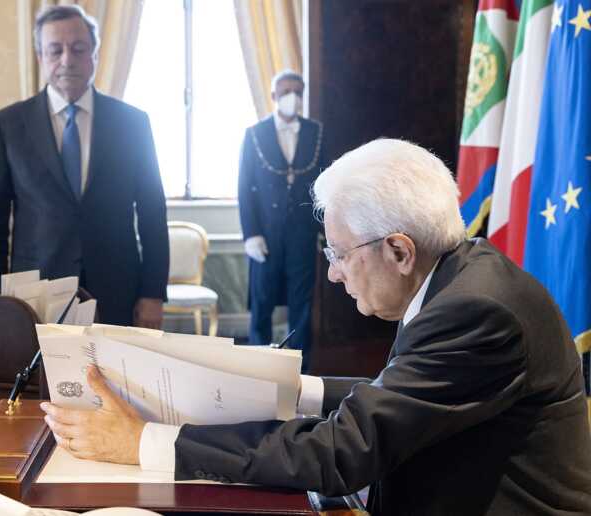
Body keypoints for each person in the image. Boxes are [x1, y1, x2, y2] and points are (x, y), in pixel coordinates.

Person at [41, 139, 591, 515]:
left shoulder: (476, 313)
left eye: (340, 253)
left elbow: (340, 452)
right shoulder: (462, 277)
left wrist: (145, 441)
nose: (331, 273)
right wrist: (283, 386)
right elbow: (400, 397)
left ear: (399, 251)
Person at [0, 5, 169, 339]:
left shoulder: (133, 123)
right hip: (35, 295)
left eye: (78, 48)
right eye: (55, 50)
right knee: (41, 375)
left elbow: (153, 214)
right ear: (41, 57)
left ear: (95, 53)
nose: (67, 60)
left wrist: (153, 293)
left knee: (115, 374)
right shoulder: (8, 124)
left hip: (117, 290)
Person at [238, 70, 325, 372]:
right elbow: (244, 187)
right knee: (261, 303)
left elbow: (325, 184)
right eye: (287, 91)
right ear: (274, 96)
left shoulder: (316, 132)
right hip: (265, 233)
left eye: (298, 92)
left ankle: (299, 372)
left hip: (303, 233)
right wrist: (251, 234)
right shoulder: (254, 133)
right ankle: (257, 370)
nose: (293, 97)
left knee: (302, 306)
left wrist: (325, 229)